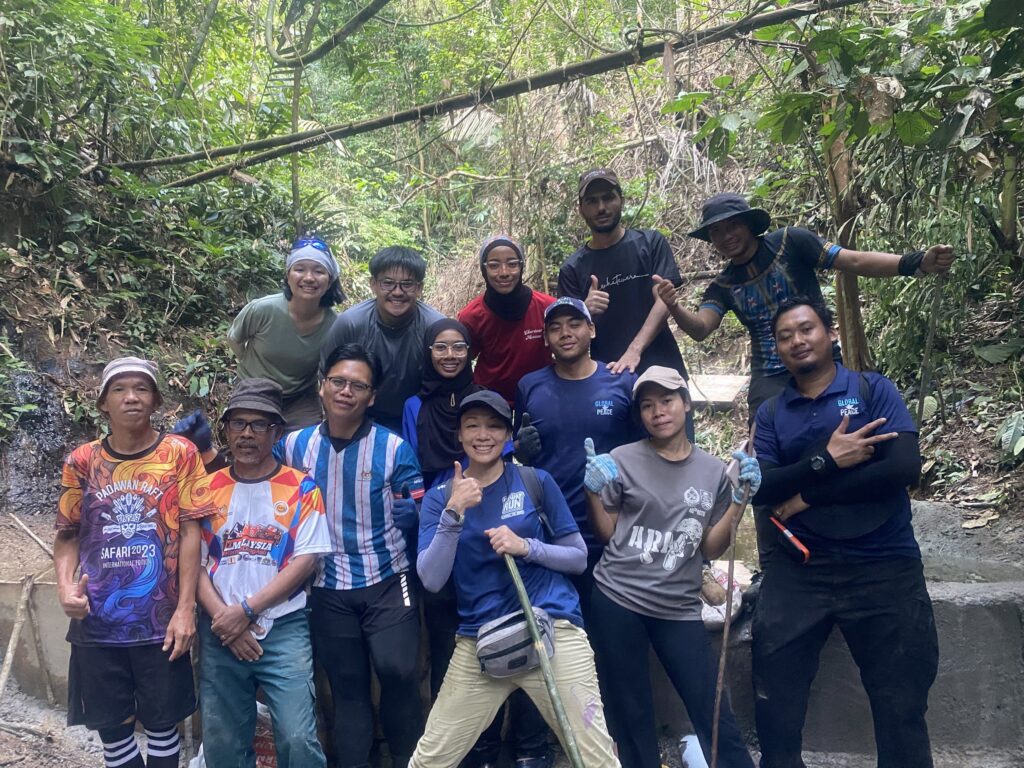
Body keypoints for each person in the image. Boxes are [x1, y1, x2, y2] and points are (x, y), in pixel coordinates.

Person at [750, 297, 937, 768]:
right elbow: (764, 488)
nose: (797, 340)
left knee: (901, 706)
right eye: (786, 335)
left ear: (830, 333)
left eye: (806, 328)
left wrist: (810, 492)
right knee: (776, 704)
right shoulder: (772, 413)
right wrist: (827, 460)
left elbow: (900, 469)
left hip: (883, 565)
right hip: (800, 571)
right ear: (777, 348)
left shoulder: (873, 390)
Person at [411, 390, 619, 768]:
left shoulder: (535, 481)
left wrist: (526, 546)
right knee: (430, 760)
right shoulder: (440, 498)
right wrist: (454, 513)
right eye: (472, 425)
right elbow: (431, 578)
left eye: (494, 426)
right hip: (480, 638)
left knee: (593, 757)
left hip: (550, 630)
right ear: (459, 434)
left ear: (508, 436)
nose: (483, 434)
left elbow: (577, 557)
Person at [582, 366, 759, 768]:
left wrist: (739, 500)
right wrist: (592, 492)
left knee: (711, 707)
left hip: (678, 606)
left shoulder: (713, 470)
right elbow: (608, 534)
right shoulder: (623, 459)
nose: (657, 411)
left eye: (666, 401)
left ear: (686, 404)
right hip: (618, 598)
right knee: (630, 710)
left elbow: (710, 545)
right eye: (647, 405)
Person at [656, 192, 955, 418]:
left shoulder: (791, 242)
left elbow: (852, 260)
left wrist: (915, 263)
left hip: (821, 358)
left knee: (846, 425)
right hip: (770, 376)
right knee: (764, 446)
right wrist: (674, 306)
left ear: (749, 225)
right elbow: (701, 328)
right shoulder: (722, 286)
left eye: (732, 225)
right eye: (716, 232)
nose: (726, 236)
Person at [54, 357, 215, 768]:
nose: (131, 398)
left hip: (160, 623)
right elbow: (68, 533)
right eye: (119, 390)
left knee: (164, 730)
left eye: (141, 389)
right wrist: (65, 588)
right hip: (97, 624)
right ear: (103, 403)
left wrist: (185, 609)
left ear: (156, 399)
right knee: (114, 733)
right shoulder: (82, 461)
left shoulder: (180, 454)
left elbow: (191, 530)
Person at [403, 319, 549, 768]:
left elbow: (497, 456)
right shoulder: (415, 403)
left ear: (472, 352)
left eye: (458, 347)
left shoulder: (487, 399)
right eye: (439, 347)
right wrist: (436, 507)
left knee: (519, 634)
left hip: (494, 522)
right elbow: (411, 464)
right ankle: (477, 748)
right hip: (441, 520)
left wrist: (519, 453)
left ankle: (529, 746)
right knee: (456, 643)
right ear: (427, 352)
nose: (449, 355)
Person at [277, 343, 425, 768]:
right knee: (347, 687)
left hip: (387, 576)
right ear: (321, 387)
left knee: (398, 674)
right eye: (338, 382)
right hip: (325, 583)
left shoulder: (394, 449)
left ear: (372, 396)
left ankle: (407, 760)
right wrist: (209, 456)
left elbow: (416, 504)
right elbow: (254, 480)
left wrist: (414, 513)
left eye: (357, 385)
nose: (346, 392)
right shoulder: (292, 447)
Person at [197, 378, 331, 767]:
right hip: (219, 626)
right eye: (238, 424)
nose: (247, 434)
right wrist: (226, 619)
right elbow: (194, 564)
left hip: (283, 626)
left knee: (297, 737)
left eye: (259, 425)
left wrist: (247, 612)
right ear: (226, 430)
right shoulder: (207, 489)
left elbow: (306, 560)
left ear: (276, 431)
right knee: (222, 740)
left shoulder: (301, 487)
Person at [514, 296, 641, 617]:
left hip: (615, 529)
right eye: (555, 328)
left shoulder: (622, 381)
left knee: (612, 634)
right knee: (564, 630)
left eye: (574, 324)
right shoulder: (530, 386)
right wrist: (520, 450)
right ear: (545, 339)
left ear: (592, 330)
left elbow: (646, 453)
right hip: (553, 533)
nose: (565, 333)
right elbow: (520, 455)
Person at [319, 246, 445, 433]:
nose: (397, 292)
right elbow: (326, 374)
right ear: (373, 284)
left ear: (419, 288)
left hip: (418, 417)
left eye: (407, 284)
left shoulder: (434, 326)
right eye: (388, 283)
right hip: (360, 415)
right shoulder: (351, 323)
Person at [228, 236, 345, 429]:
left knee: (304, 449)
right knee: (252, 443)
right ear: (288, 275)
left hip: (301, 399)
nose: (309, 278)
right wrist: (253, 369)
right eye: (300, 269)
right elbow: (235, 339)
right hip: (253, 391)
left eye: (318, 271)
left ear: (330, 279)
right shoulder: (263, 309)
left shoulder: (335, 325)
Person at [457, 235, 556, 404]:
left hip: (540, 398)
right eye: (494, 265)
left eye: (512, 264)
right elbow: (461, 363)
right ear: (483, 269)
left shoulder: (547, 307)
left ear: (521, 266)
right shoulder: (471, 316)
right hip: (489, 402)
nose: (504, 273)